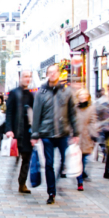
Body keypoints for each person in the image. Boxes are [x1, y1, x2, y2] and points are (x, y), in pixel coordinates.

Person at [31, 64, 79, 205]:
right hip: (46, 134)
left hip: (63, 132)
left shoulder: (66, 91)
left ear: (58, 74)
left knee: (66, 160)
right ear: (47, 74)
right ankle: (51, 192)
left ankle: (57, 181)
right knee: (49, 164)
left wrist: (75, 132)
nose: (52, 74)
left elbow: (72, 113)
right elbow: (36, 114)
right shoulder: (41, 93)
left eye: (54, 72)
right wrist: (35, 134)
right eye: (50, 72)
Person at [6, 70, 34, 194]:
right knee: (16, 157)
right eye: (25, 76)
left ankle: (21, 183)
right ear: (20, 78)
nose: (27, 79)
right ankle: (11, 178)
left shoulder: (32, 95)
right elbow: (9, 112)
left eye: (29, 76)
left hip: (28, 132)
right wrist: (9, 129)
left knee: (26, 159)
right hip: (17, 131)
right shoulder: (13, 93)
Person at [75, 89, 98, 191]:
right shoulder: (75, 108)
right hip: (77, 138)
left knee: (84, 160)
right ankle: (80, 182)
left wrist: (94, 134)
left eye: (85, 95)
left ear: (88, 97)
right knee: (78, 160)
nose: (83, 96)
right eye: (81, 95)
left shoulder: (91, 108)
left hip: (87, 137)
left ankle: (82, 173)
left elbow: (93, 122)